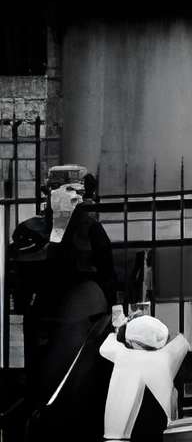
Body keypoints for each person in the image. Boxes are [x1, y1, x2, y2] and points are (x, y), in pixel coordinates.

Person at [6, 164, 124, 430]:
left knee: (79, 390)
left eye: (78, 192)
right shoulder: (31, 230)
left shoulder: (91, 229)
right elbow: (36, 269)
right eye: (68, 191)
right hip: (51, 321)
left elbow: (106, 273)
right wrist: (59, 227)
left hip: (84, 320)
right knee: (50, 389)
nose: (74, 198)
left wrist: (115, 310)